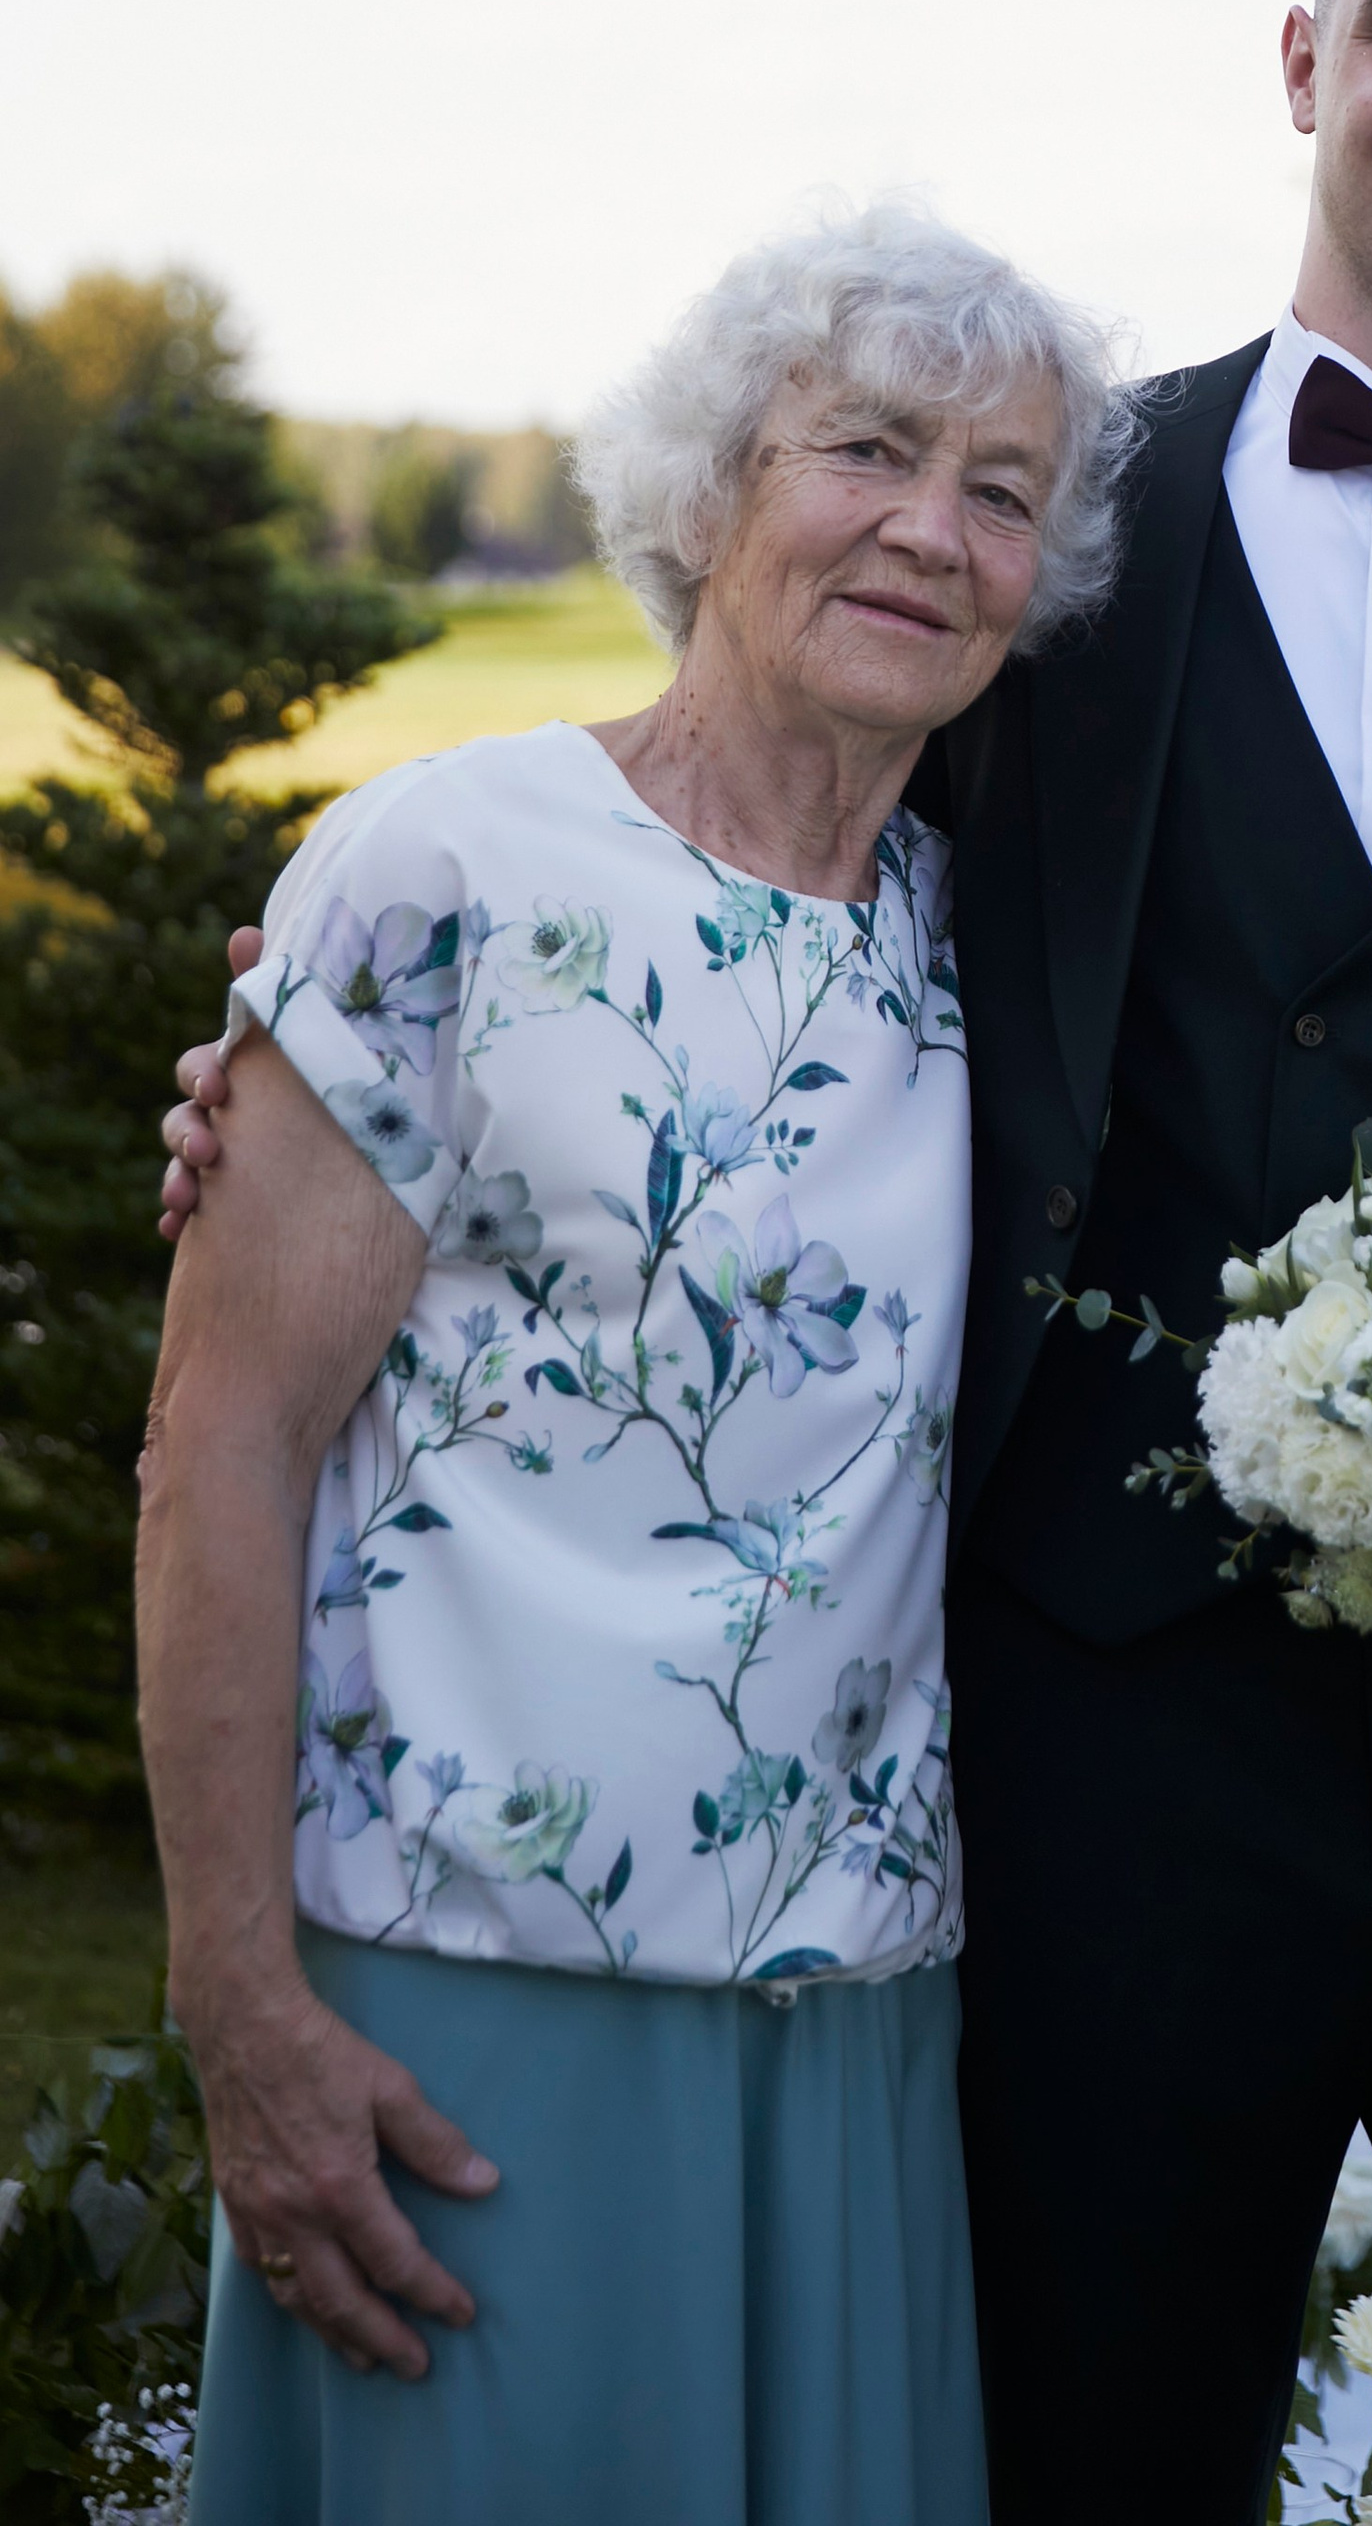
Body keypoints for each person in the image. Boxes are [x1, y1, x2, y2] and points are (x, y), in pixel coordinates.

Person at [169, 0, 1372, 2520]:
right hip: (1092, 1747)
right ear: (1308, 58)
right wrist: (283, 1077)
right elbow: (715, 861)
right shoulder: (1052, 530)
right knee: (1094, 2464)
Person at [146, 211, 1129, 2526]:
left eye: (1001, 488)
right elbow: (221, 1451)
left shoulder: (980, 946)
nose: (929, 526)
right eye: (864, 450)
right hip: (468, 2007)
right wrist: (240, 2009)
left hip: (854, 2021)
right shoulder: (443, 869)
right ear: (710, 491)